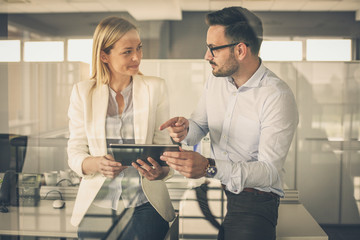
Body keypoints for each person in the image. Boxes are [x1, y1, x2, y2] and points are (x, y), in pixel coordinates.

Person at [160, 6, 299, 240]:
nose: (207, 56)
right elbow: (199, 127)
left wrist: (208, 167)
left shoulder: (277, 96)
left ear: (241, 50)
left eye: (213, 49)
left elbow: (269, 172)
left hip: (255, 198)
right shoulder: (215, 82)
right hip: (215, 187)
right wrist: (185, 130)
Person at [67, 16, 175, 240]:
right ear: (104, 55)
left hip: (146, 199)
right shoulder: (82, 92)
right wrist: (98, 163)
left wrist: (161, 171)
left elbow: (166, 149)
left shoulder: (155, 87)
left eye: (139, 48)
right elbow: (75, 151)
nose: (137, 57)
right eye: (127, 51)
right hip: (99, 199)